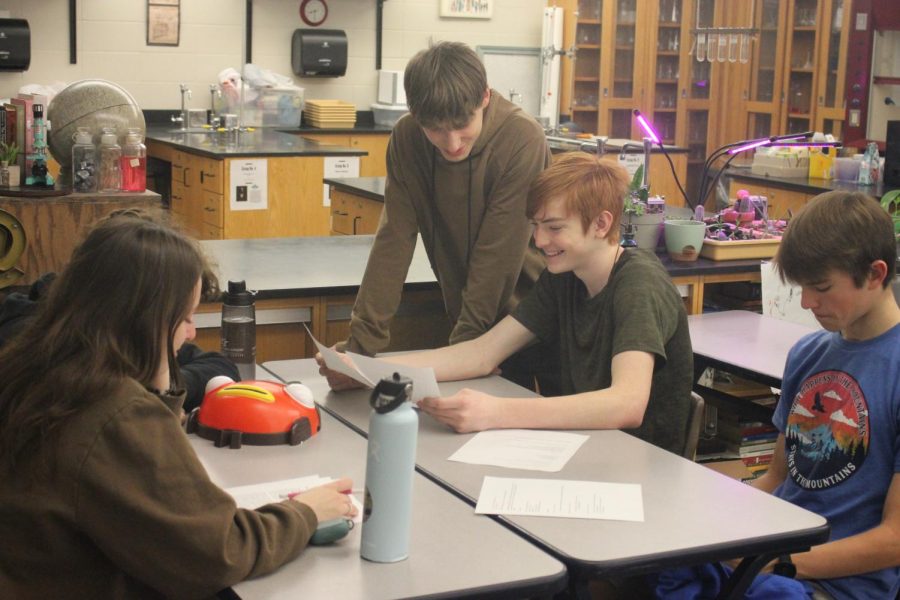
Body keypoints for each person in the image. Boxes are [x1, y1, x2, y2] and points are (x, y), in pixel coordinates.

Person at [0, 210, 357, 598]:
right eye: (184, 317)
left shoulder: (38, 366)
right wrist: (306, 513)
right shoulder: (112, 409)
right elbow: (219, 553)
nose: (191, 332)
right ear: (143, 320)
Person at [322, 152, 693, 454]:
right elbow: (482, 353)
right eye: (536, 225)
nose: (538, 239)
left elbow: (626, 404)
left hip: (640, 467)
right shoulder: (563, 278)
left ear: (601, 224)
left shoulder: (638, 284)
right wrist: (366, 369)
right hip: (585, 448)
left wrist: (495, 411)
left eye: (554, 227)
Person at [657, 191, 900, 599]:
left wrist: (777, 562)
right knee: (659, 559)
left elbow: (894, 539)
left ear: (875, 274)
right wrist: (709, 521)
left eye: (821, 287)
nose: (807, 303)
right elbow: (775, 478)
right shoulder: (809, 354)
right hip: (775, 554)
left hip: (830, 584)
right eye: (802, 287)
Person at [339, 41, 552, 388]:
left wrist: (459, 357)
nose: (451, 143)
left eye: (462, 123)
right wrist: (359, 351)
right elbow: (394, 241)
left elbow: (496, 259)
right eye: (435, 128)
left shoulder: (521, 139)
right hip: (468, 326)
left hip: (532, 322)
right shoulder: (408, 138)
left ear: (484, 97)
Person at [0, 270, 240, 412]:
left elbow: (219, 367)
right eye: (183, 318)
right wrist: (154, 390)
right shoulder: (33, 340)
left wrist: (165, 382)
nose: (191, 333)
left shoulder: (118, 330)